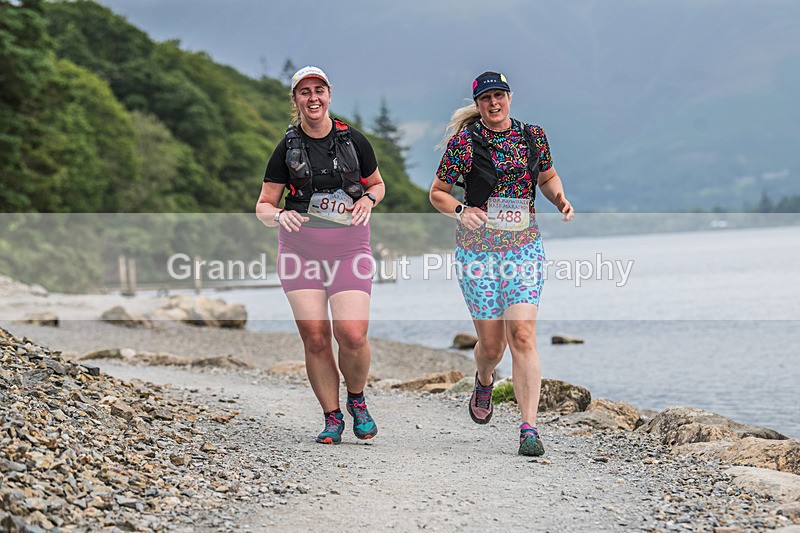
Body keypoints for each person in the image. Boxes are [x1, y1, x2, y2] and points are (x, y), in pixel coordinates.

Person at [429, 71, 574, 456]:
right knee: (492, 347)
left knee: (523, 335)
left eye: (500, 96)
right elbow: (438, 194)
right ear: (477, 105)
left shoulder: (532, 136)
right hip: (477, 253)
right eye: (486, 98)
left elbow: (547, 177)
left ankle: (529, 428)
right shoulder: (464, 143)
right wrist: (461, 210)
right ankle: (484, 377)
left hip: (523, 248)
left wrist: (558, 198)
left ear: (510, 98)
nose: (494, 104)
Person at [256, 66, 386, 445]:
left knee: (352, 333)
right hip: (300, 251)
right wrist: (280, 214)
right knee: (315, 336)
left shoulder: (354, 140)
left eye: (319, 90)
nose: (312, 97)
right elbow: (263, 206)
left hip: (349, 248)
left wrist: (369, 199)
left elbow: (377, 184)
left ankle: (357, 399)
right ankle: (332, 417)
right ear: (295, 100)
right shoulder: (286, 148)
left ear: (329, 95)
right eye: (304, 92)